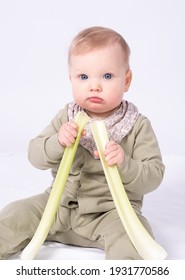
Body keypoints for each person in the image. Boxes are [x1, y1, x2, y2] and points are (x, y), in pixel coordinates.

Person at [0, 26, 165, 260]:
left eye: (107, 76)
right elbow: (34, 155)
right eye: (83, 77)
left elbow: (154, 174)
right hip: (58, 207)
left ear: (126, 80)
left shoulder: (137, 125)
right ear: (71, 79)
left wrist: (124, 163)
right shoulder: (67, 117)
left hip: (110, 214)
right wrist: (57, 142)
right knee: (14, 214)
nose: (94, 86)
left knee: (137, 237)